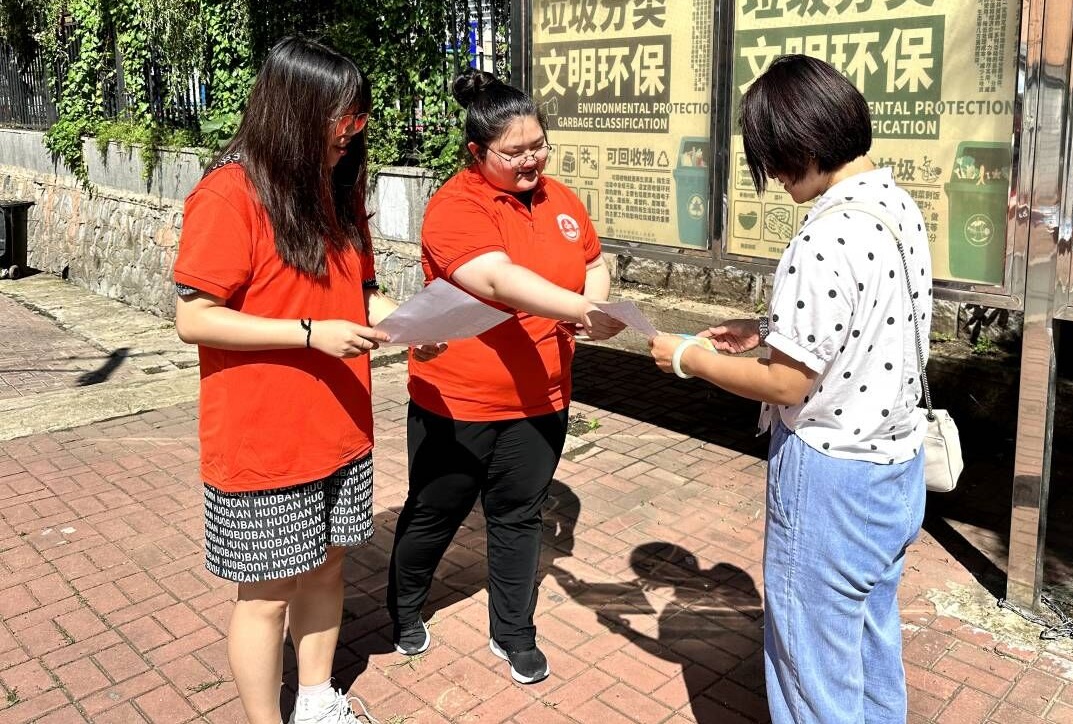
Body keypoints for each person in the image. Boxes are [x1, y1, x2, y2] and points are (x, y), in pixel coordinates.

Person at [650, 54, 932, 724]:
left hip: (831, 477)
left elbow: (786, 381)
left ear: (805, 144)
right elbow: (869, 319)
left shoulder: (825, 235)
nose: (773, 176)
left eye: (773, 159)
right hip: (896, 463)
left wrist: (688, 358)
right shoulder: (896, 205)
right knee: (870, 639)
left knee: (811, 669)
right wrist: (768, 328)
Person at [174, 37, 436, 724]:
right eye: (340, 119)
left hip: (339, 425)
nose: (352, 133)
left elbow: (361, 294)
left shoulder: (336, 187)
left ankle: (317, 698)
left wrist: (409, 323)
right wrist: (310, 334)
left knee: (326, 566)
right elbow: (194, 317)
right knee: (265, 595)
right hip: (263, 439)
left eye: (358, 119)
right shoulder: (230, 193)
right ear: (293, 111)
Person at [387, 69, 624, 684]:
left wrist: (596, 300)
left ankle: (514, 632)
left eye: (539, 146)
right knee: (435, 512)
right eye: (514, 152)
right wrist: (581, 308)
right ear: (477, 152)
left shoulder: (560, 199)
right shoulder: (455, 206)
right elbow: (495, 279)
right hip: (457, 400)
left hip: (542, 395)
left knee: (519, 515)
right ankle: (405, 606)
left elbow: (593, 260)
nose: (531, 161)